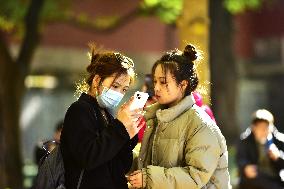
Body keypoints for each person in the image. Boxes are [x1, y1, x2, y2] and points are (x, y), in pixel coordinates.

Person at [128, 44, 231, 189]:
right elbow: (148, 164)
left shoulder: (199, 124)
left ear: (182, 85)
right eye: (155, 81)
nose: (156, 88)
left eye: (163, 82)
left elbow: (196, 176)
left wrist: (148, 178)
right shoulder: (155, 118)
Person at [60, 45, 144, 189]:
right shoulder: (80, 110)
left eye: (124, 89)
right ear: (97, 80)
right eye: (115, 86)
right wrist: (120, 127)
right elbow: (89, 158)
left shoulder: (107, 113)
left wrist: (128, 133)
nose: (119, 94)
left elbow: (121, 165)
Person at [236, 109, 284, 189]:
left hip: (276, 177)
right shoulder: (245, 140)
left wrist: (278, 156)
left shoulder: (280, 140)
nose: (264, 131)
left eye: (267, 128)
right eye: (261, 128)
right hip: (256, 177)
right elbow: (240, 158)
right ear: (254, 128)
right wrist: (245, 167)